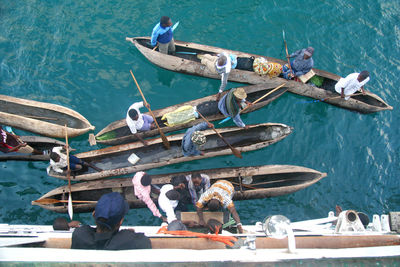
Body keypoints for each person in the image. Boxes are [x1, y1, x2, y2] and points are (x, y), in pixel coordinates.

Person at [71, 192, 151, 250]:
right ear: (121, 221)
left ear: (94, 214)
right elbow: (145, 242)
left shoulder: (79, 235)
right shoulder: (136, 242)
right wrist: (127, 234)